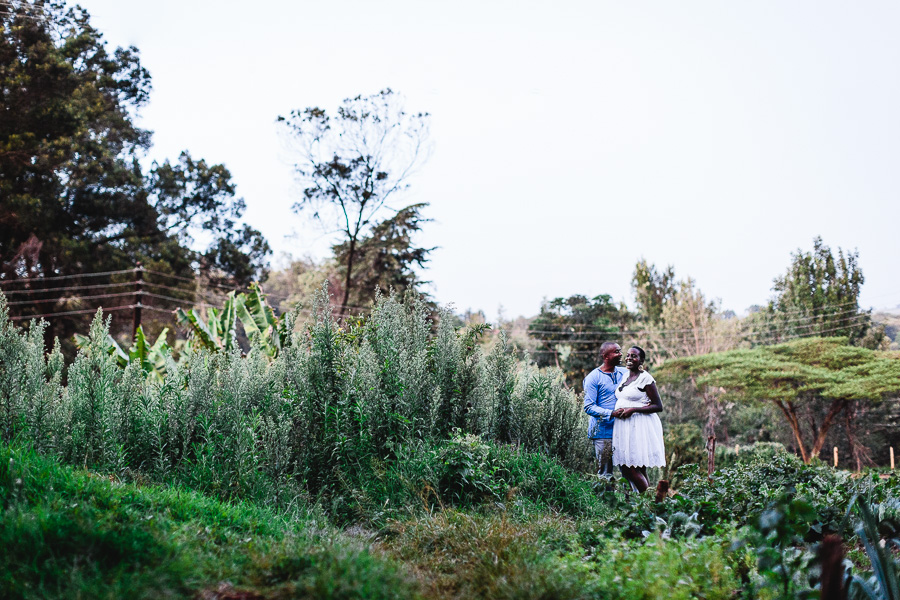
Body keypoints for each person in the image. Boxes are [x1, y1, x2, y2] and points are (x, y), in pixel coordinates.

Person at [611, 346, 665, 493]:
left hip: (639, 426)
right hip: (625, 427)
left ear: (641, 360)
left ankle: (652, 503)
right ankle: (649, 506)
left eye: (634, 356)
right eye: (628, 355)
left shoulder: (646, 378)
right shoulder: (625, 377)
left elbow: (658, 406)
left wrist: (633, 409)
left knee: (631, 468)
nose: (629, 358)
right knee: (638, 467)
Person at [583, 342, 628, 480]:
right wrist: (611, 413)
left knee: (628, 471)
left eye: (620, 351)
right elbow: (588, 406)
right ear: (605, 356)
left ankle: (629, 501)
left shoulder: (625, 373)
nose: (620, 354)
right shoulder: (593, 377)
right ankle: (606, 501)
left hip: (624, 430)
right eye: (616, 352)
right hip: (603, 433)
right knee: (605, 475)